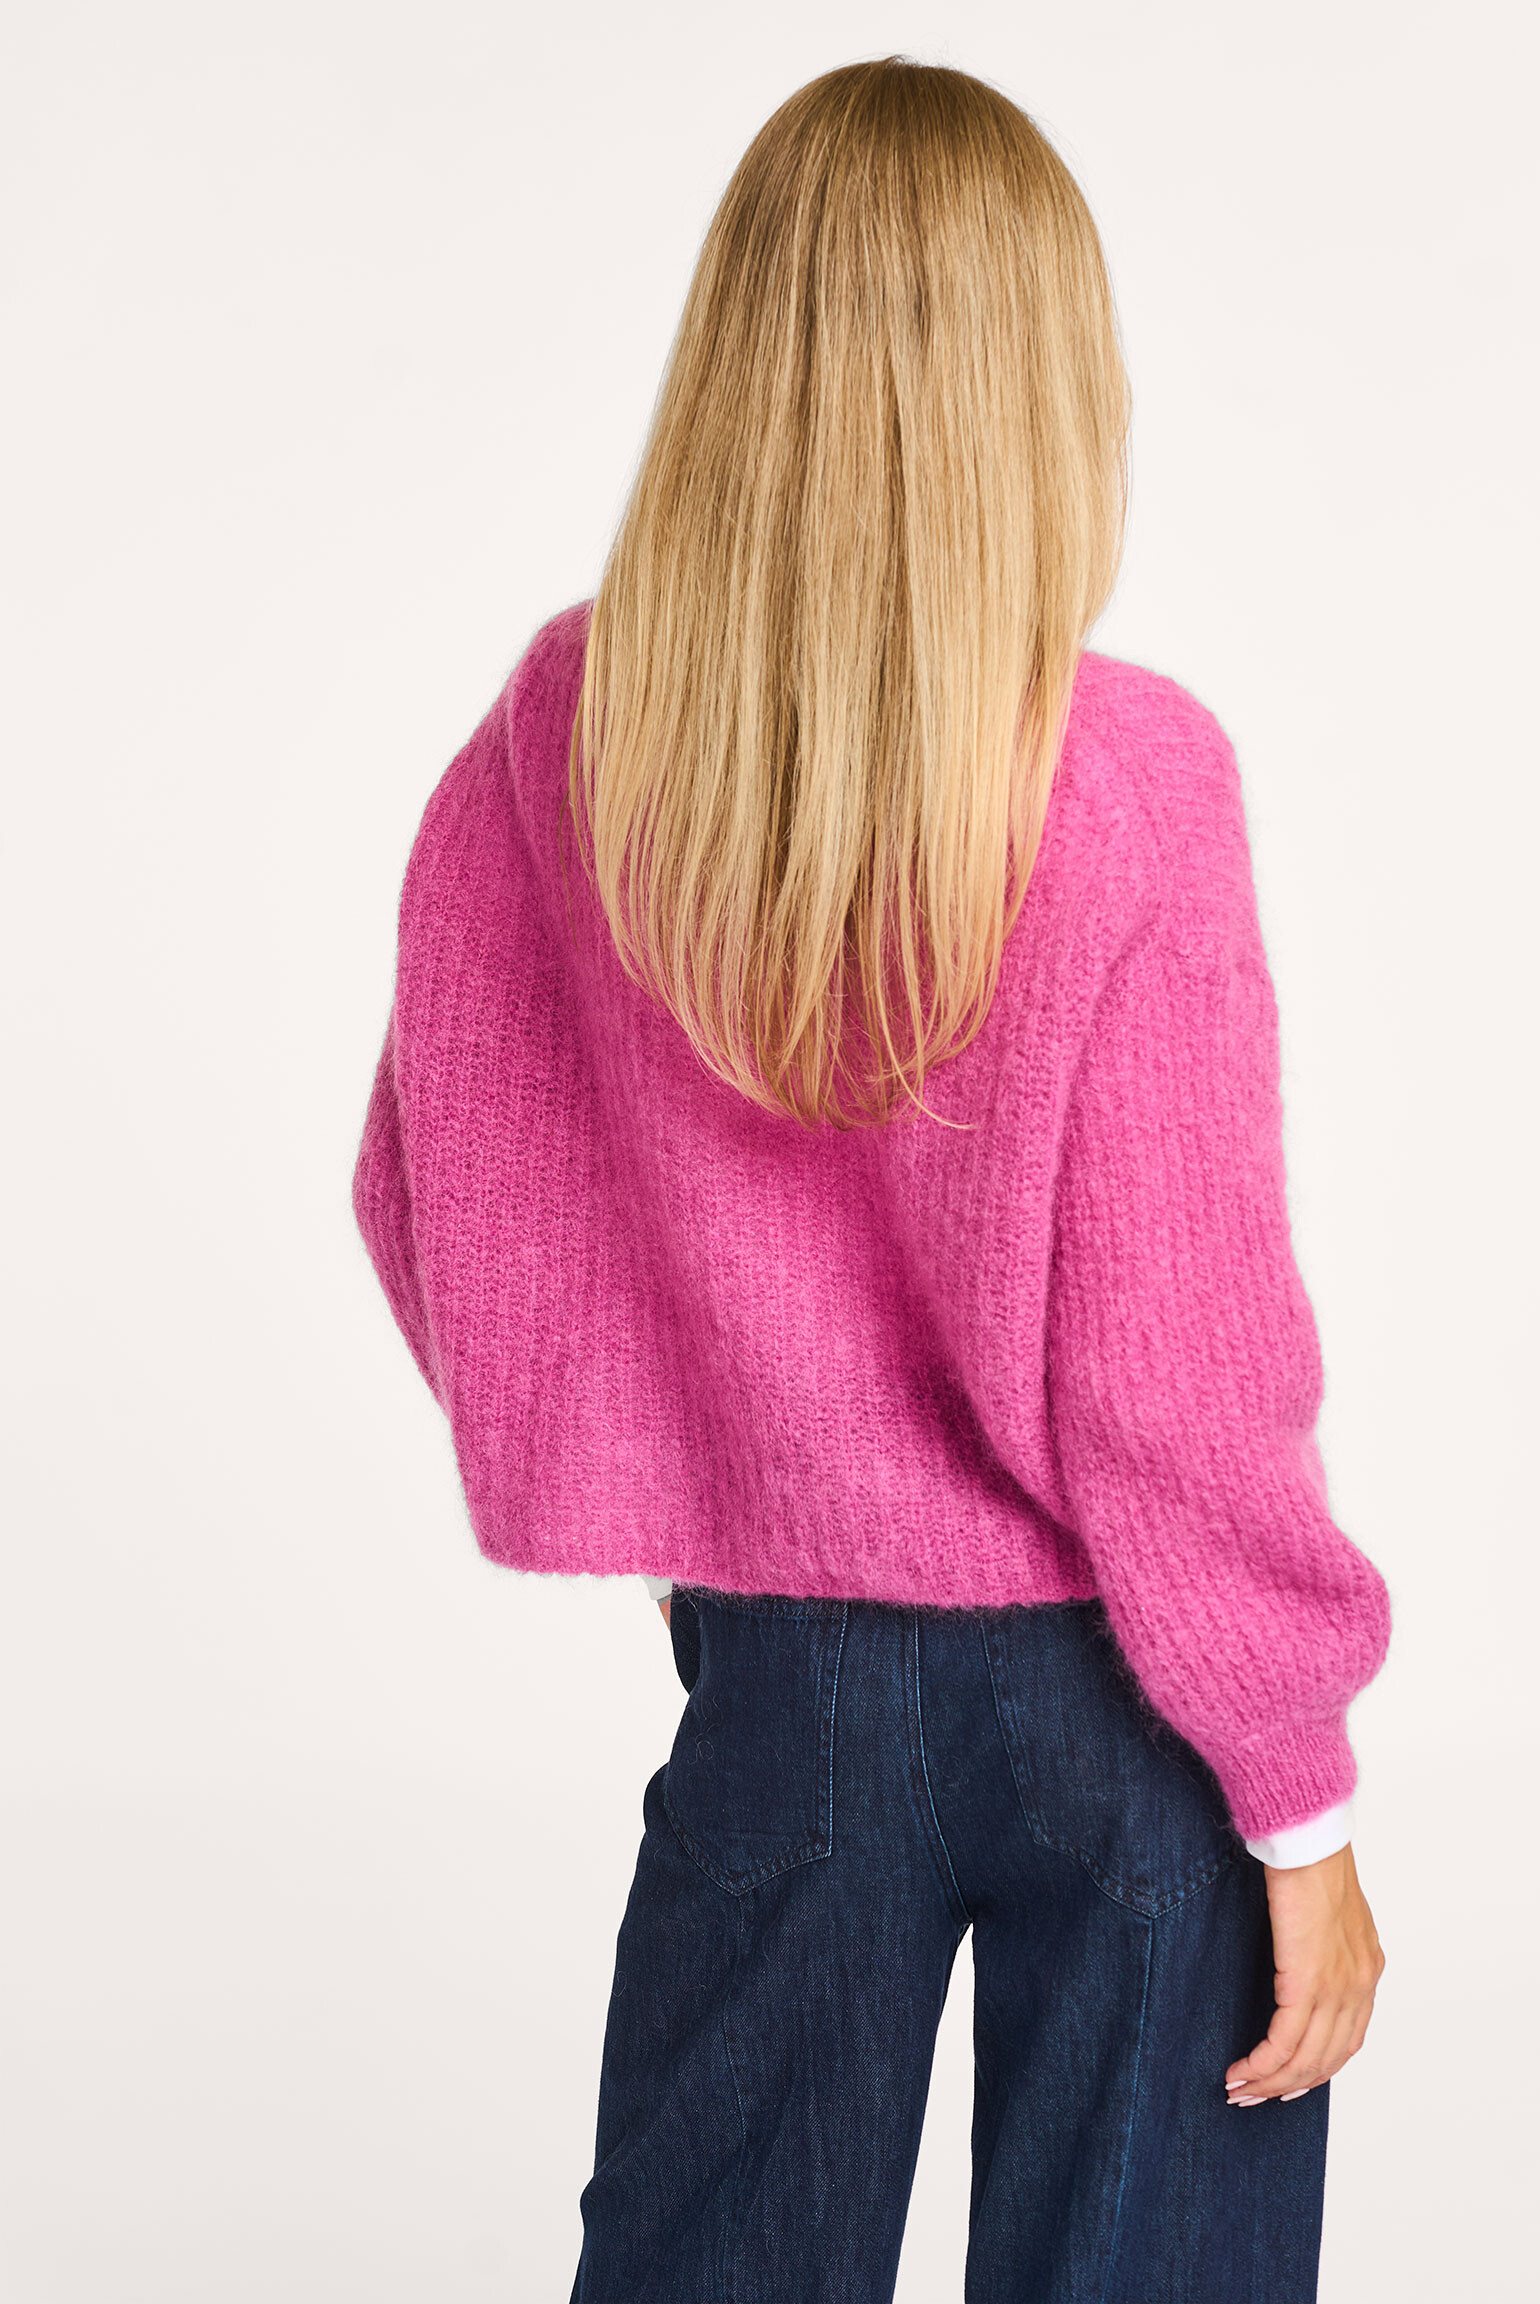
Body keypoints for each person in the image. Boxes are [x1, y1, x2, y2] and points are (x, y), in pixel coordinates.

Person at [352, 54, 1391, 2304]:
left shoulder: (569, 741)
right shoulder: (1129, 784)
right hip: (1127, 1701)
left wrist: (689, 1480)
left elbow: (434, 1203)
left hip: (787, 1680)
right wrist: (1298, 1800)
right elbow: (1182, 1380)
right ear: (1052, 388)